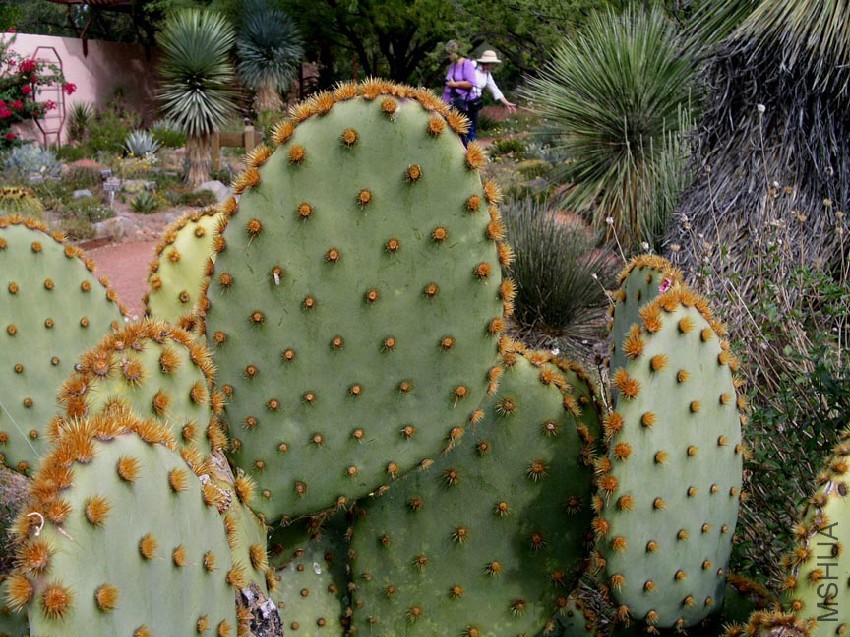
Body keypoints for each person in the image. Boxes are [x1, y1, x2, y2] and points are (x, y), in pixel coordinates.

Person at [468, 50, 517, 143]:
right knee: (465, 128)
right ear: (487, 62)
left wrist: (506, 103)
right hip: (463, 101)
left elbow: (495, 89)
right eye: (493, 63)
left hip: (474, 103)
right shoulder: (472, 66)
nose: (493, 66)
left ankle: (470, 151)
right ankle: (468, 149)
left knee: (471, 127)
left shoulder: (486, 73)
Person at [442, 40, 477, 146]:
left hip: (465, 104)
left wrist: (455, 84)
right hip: (452, 104)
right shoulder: (453, 65)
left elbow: (471, 83)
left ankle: (470, 156)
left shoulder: (467, 64)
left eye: (450, 53)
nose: (449, 56)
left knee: (466, 132)